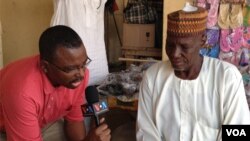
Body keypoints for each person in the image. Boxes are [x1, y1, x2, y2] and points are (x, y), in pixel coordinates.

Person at [136, 6, 250, 141]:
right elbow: (146, 132)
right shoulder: (152, 78)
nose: (174, 54)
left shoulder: (227, 78)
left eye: (184, 47)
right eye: (170, 45)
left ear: (202, 40)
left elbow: (238, 132)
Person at [0, 25, 111, 141]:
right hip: (6, 129)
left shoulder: (77, 77)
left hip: (40, 123)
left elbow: (74, 121)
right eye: (70, 69)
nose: (82, 74)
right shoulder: (22, 91)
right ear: (45, 67)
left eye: (83, 64)